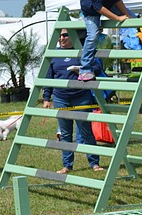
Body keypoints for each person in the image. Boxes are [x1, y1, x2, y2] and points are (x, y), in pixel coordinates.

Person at [43, 29, 104, 175]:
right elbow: (48, 77)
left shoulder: (82, 51)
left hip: (81, 96)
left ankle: (94, 163)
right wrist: (46, 98)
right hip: (60, 98)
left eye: (65, 35)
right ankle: (67, 165)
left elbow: (97, 67)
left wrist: (83, 70)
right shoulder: (54, 54)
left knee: (85, 131)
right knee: (65, 134)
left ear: (73, 36)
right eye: (59, 35)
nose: (61, 38)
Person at [79, 0, 130, 82]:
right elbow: (97, 7)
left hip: (108, 4)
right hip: (91, 10)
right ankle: (85, 70)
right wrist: (118, 18)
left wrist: (127, 15)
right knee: (92, 36)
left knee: (133, 18)